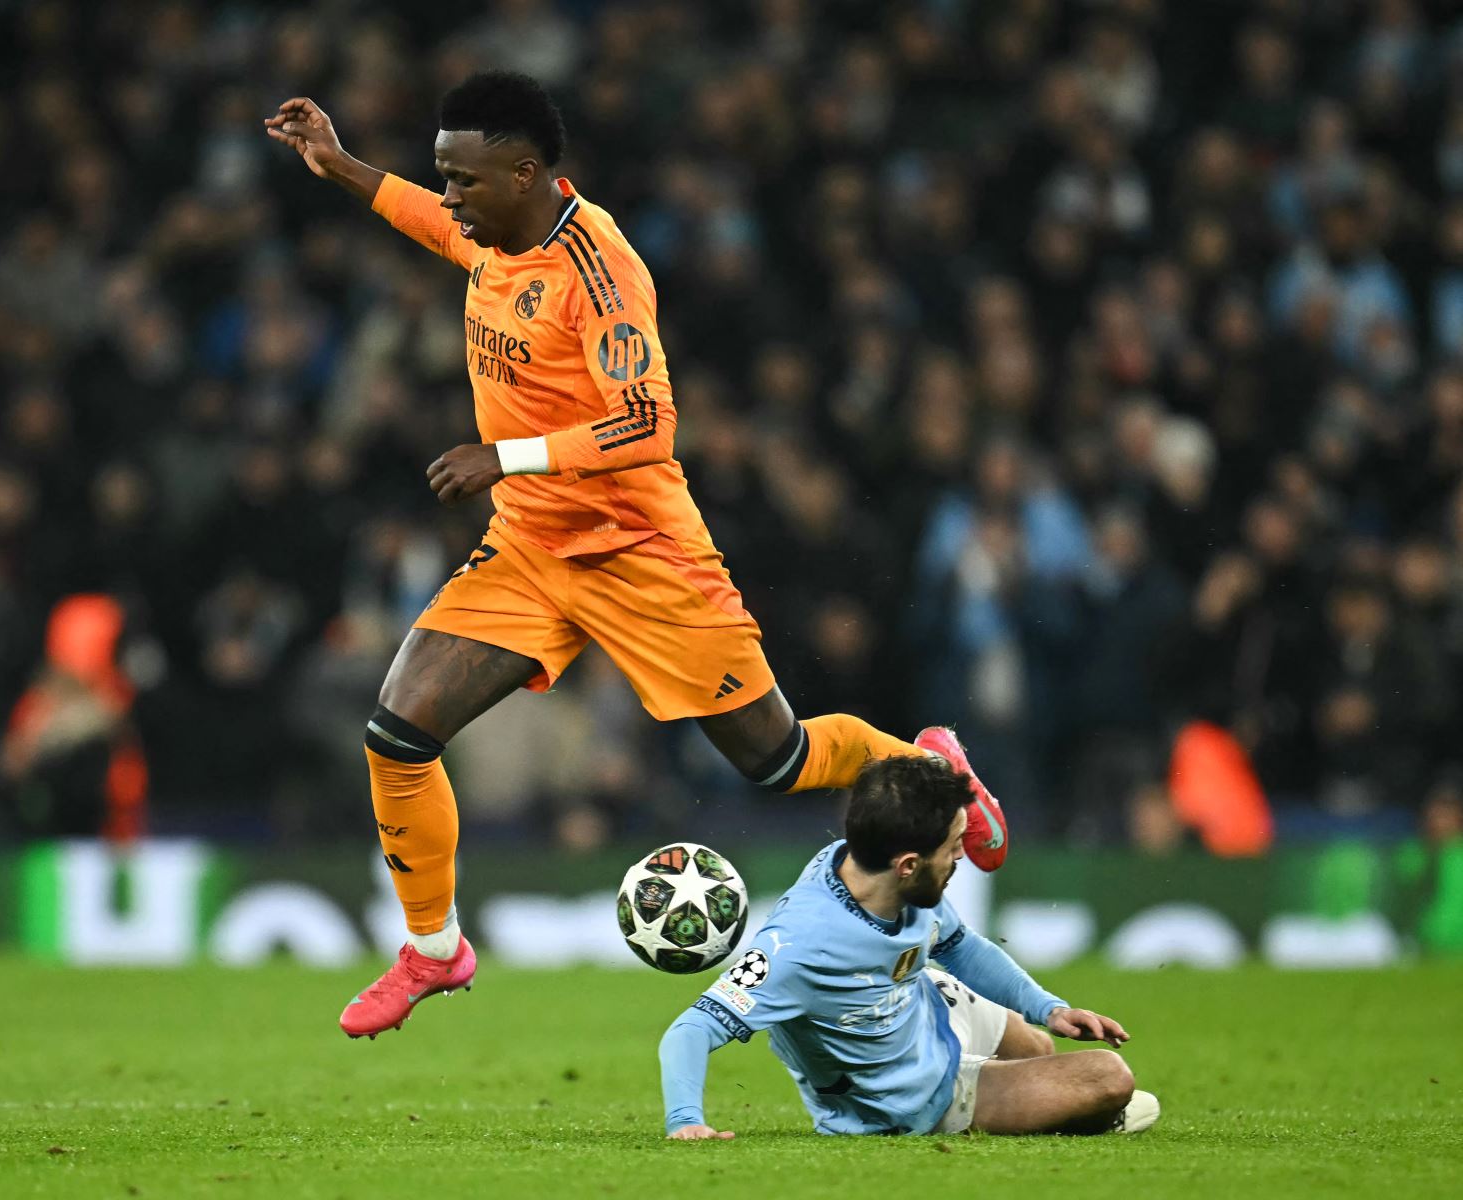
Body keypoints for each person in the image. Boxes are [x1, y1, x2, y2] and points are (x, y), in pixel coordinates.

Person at [265, 71, 1011, 1040]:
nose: (448, 195)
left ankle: (933, 768)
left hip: (642, 553)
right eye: (442, 174)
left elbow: (648, 423)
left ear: (526, 173)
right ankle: (434, 952)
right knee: (398, 735)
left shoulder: (599, 271)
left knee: (778, 762)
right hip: (533, 544)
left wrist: (505, 456)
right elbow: (429, 223)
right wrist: (342, 166)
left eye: (463, 179)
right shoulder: (493, 233)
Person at [659, 755, 1157, 1138]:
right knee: (1108, 1080)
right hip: (907, 1094)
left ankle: (1018, 1089)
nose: (965, 852)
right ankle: (1002, 1101)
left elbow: (961, 948)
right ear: (908, 864)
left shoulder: (875, 863)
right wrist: (686, 1120)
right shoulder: (798, 945)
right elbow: (689, 1030)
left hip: (921, 1002)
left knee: (1039, 1044)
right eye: (954, 844)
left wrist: (1048, 1008)